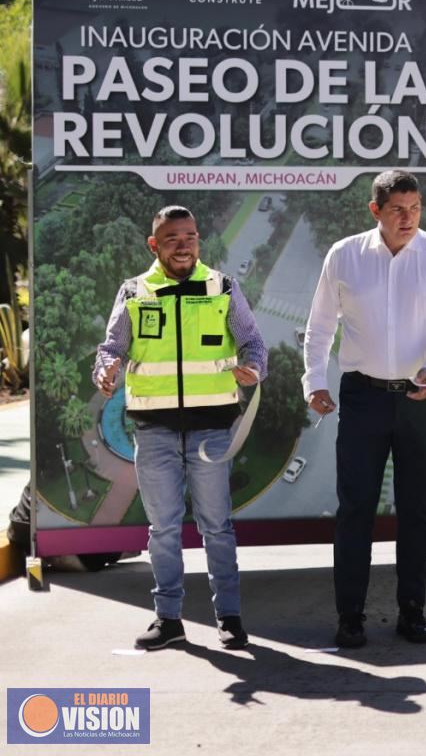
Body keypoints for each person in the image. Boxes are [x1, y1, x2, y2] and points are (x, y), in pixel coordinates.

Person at [302, 170, 426, 648]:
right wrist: (314, 381)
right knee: (355, 509)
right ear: (375, 210)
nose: (408, 218)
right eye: (398, 209)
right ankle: (349, 616)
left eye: (415, 208)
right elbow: (319, 327)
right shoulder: (345, 255)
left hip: (423, 397)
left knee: (417, 509)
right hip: (363, 396)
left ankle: (412, 612)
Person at [93, 205, 267, 651]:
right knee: (163, 529)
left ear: (198, 240)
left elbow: (252, 341)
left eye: (189, 236)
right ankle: (168, 619)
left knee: (217, 527)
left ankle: (229, 617)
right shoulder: (134, 292)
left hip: (212, 429)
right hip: (154, 430)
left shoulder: (223, 286)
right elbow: (111, 346)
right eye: (172, 238)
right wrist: (106, 367)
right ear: (154, 245)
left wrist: (254, 367)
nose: (183, 245)